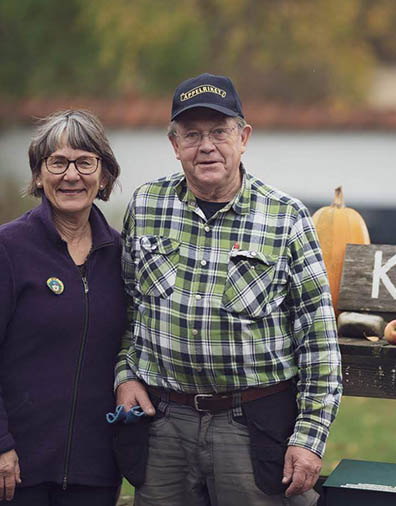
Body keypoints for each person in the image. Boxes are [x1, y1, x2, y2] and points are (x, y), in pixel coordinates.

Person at [116, 73, 342, 506]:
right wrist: (125, 375)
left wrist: (310, 438)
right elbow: (125, 309)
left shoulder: (286, 218)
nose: (206, 146)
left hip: (251, 424)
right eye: (192, 134)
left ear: (244, 138)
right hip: (163, 425)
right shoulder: (145, 207)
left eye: (220, 132)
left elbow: (319, 340)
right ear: (174, 144)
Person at [0, 110, 126, 505]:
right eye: (58, 162)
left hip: (95, 472)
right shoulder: (5, 250)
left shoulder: (121, 255)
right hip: (11, 471)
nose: (72, 175)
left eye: (86, 162)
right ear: (38, 175)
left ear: (103, 176)